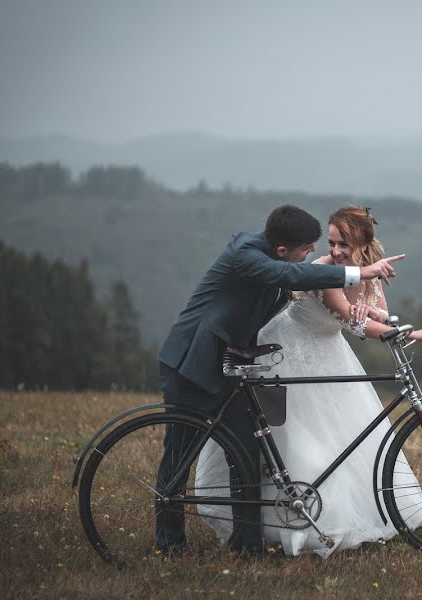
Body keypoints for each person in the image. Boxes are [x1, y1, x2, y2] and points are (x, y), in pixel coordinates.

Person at [156, 204, 404, 557]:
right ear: (283, 250)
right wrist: (360, 274)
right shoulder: (246, 255)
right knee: (179, 456)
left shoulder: (276, 258)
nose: (313, 255)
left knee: (247, 450)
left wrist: (371, 306)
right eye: (307, 249)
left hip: (230, 367)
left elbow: (303, 287)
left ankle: (248, 544)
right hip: (192, 365)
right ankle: (169, 544)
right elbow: (294, 277)